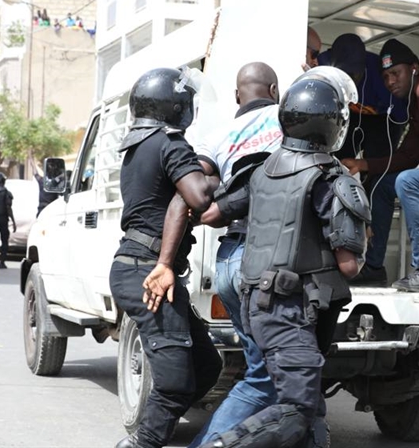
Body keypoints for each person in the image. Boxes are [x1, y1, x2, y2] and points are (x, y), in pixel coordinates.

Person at [197, 66, 369, 448]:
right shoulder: (333, 181)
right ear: (333, 125)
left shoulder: (262, 170)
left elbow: (211, 214)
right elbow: (348, 266)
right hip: (293, 312)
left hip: (257, 302)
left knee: (310, 411)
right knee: (296, 409)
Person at [109, 67, 223, 448]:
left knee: (207, 366)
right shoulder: (170, 143)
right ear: (174, 107)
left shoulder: (137, 144)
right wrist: (216, 172)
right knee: (175, 383)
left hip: (138, 266)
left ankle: (157, 426)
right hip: (149, 272)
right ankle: (143, 442)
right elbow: (198, 198)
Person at [185, 61, 282, 448]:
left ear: (237, 96)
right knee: (265, 376)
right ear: (275, 91)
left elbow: (200, 192)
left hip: (229, 261)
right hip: (267, 259)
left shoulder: (217, 135)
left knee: (274, 374)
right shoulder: (289, 119)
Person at [341, 39, 419, 290]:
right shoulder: (414, 110)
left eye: (396, 73)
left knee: (408, 181)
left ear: (414, 68)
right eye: (386, 76)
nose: (391, 81)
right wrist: (363, 164)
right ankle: (374, 267)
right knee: (385, 185)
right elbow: (406, 157)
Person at [317, 33, 407, 161]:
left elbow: (400, 118)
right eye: (345, 73)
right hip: (346, 117)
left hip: (381, 120)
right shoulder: (322, 65)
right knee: (337, 158)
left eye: (354, 74)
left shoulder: (380, 74)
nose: (350, 80)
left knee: (378, 160)